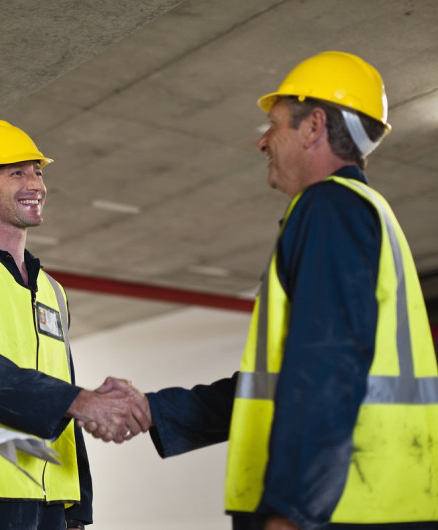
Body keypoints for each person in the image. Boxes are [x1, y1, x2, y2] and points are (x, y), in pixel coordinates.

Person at [93, 51, 438, 529]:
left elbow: (327, 371)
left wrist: (292, 513)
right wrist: (155, 410)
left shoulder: (330, 209)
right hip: (367, 506)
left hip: (339, 512)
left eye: (274, 125)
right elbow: (280, 384)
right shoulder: (354, 212)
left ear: (314, 126)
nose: (262, 141)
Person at [0, 119, 151, 529]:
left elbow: (63, 386)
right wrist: (80, 400)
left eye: (37, 171)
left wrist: (77, 509)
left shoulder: (51, 290)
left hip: (48, 499)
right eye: (16, 172)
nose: (34, 183)